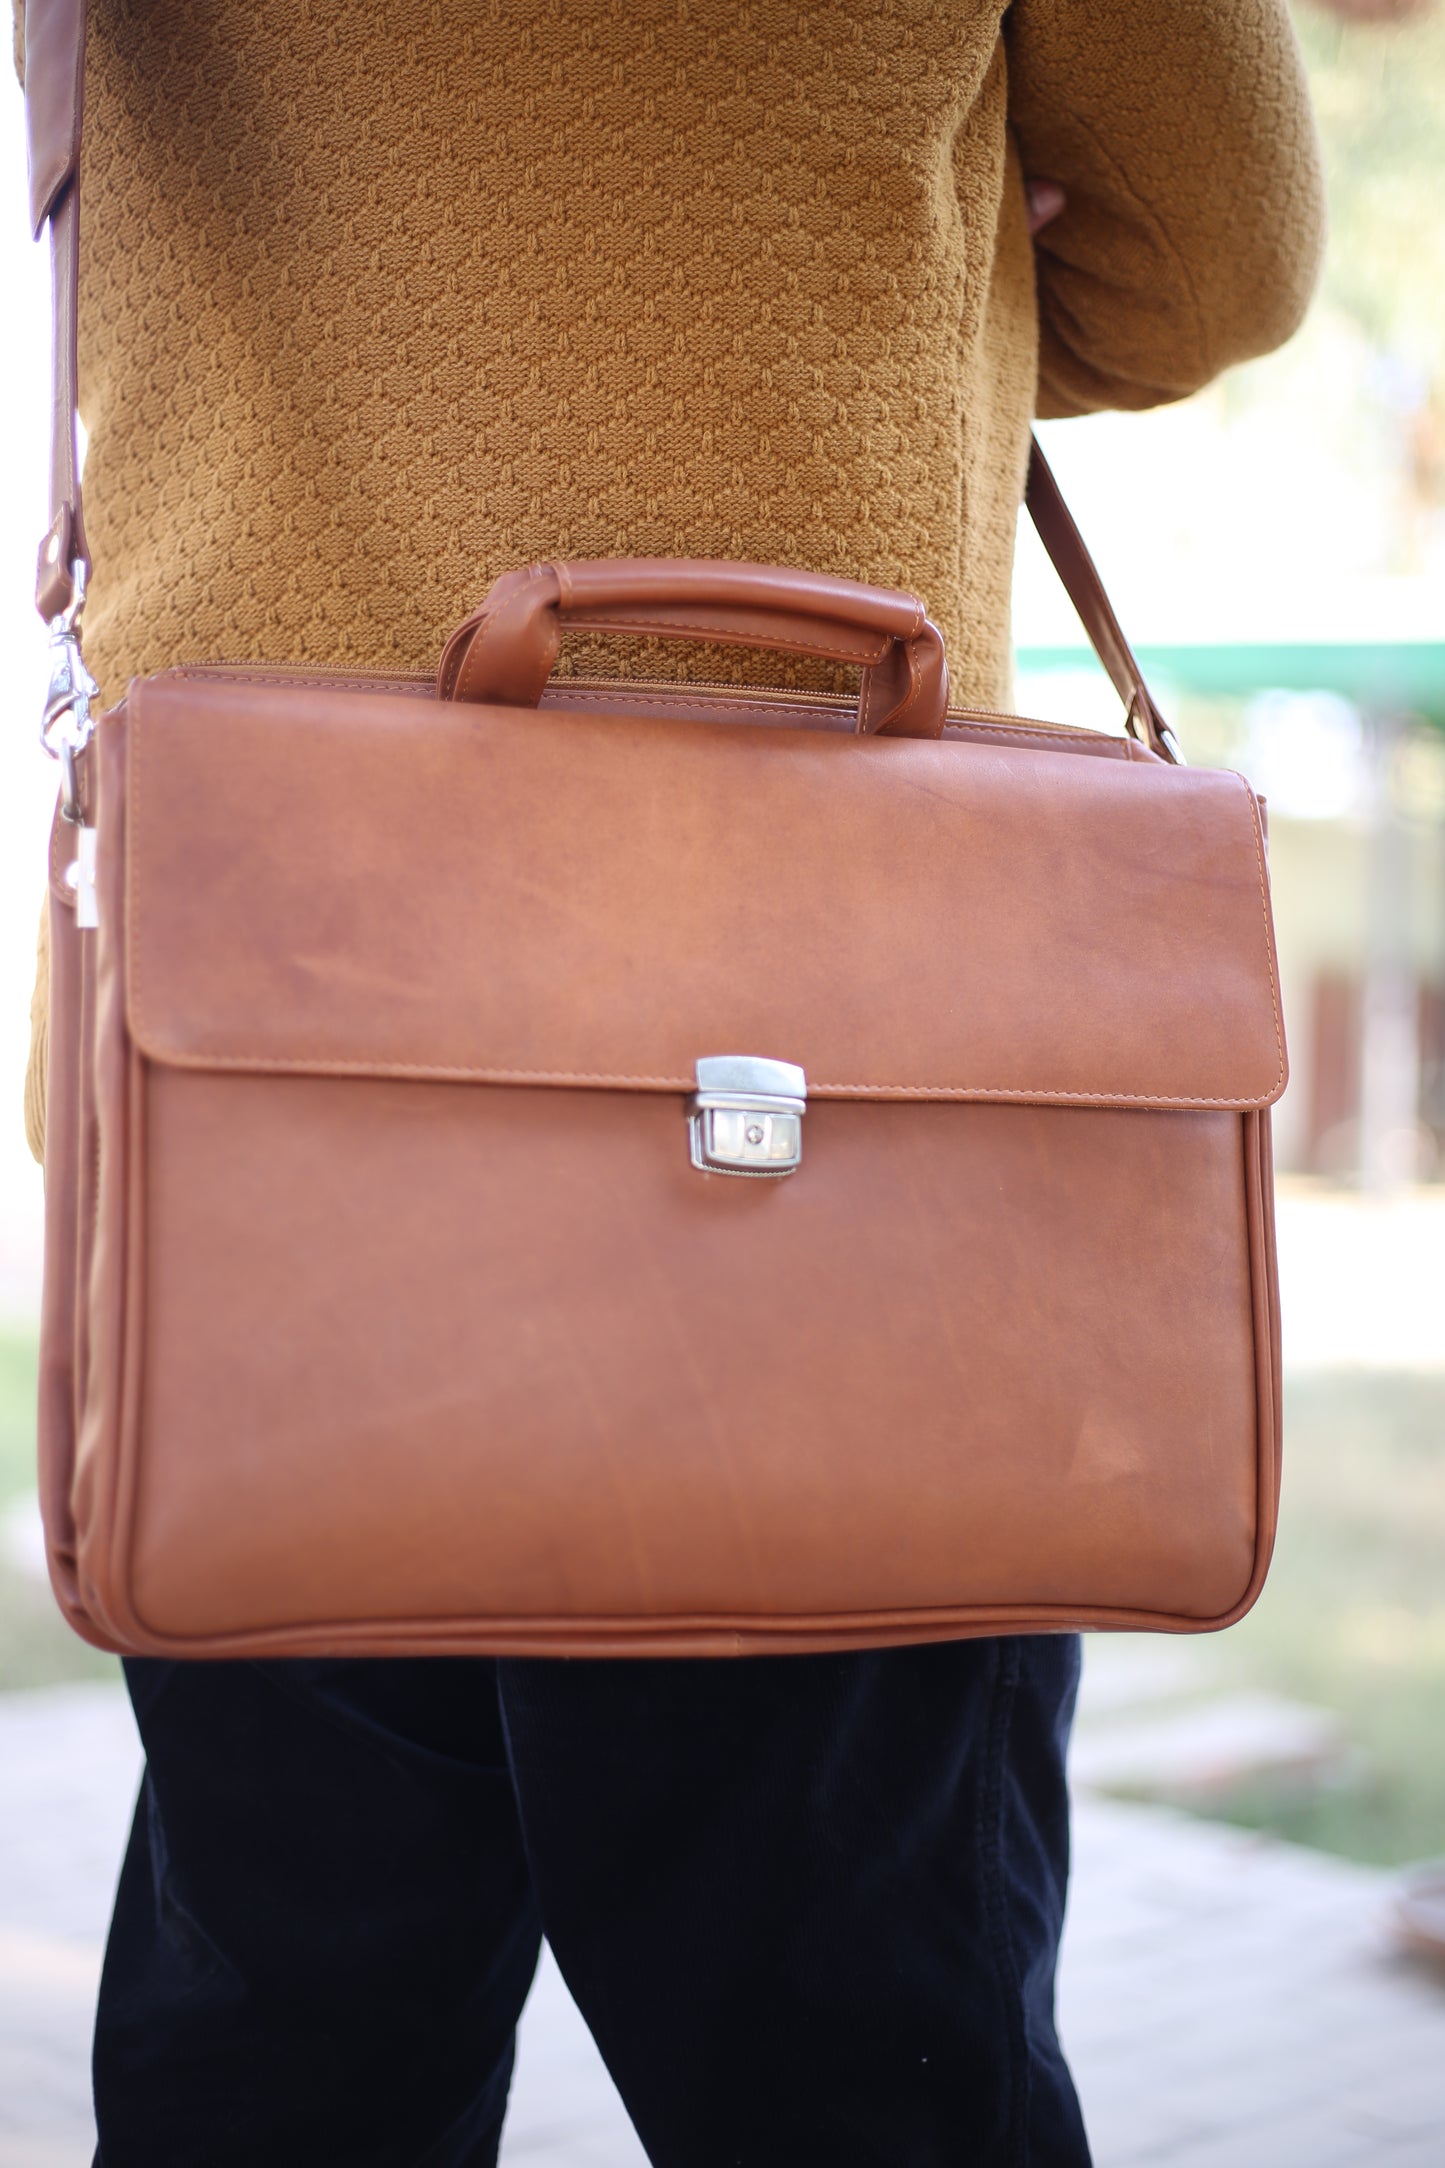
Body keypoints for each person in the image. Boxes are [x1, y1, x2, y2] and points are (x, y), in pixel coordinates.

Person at [15, 2, 1323, 2161]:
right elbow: (1223, 245)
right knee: (872, 2050)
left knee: (287, 2038)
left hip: (275, 1069)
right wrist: (925, 249)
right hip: (840, 1086)